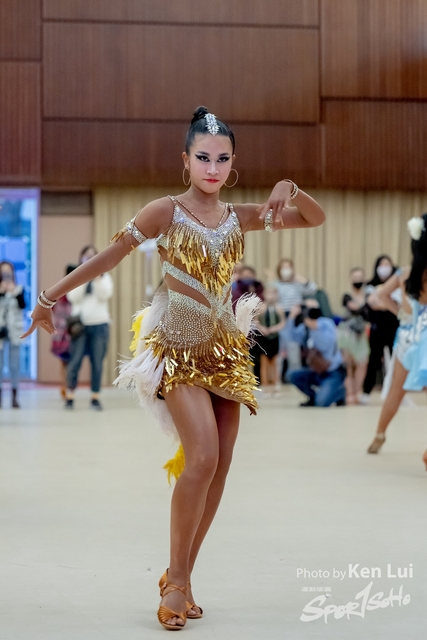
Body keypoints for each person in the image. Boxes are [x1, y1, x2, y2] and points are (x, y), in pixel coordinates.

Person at [21, 106, 326, 631]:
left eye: (222, 159)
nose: (213, 167)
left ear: (233, 164)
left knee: (220, 466)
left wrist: (290, 188)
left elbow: (315, 218)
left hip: (225, 349)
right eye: (203, 157)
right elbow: (110, 256)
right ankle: (178, 582)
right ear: (185, 160)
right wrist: (49, 296)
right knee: (201, 456)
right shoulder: (164, 210)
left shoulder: (240, 215)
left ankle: (179, 575)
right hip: (178, 344)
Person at [367, 215, 427, 468]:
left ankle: (379, 434)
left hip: (408, 336)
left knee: (396, 390)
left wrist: (400, 312)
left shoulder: (405, 273)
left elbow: (381, 294)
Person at [64, 246, 113, 411]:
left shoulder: (105, 276)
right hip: (79, 326)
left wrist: (96, 278)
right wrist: (84, 277)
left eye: (93, 256)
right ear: (81, 258)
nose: (89, 258)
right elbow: (72, 297)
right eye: (86, 256)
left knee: (97, 362)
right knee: (75, 361)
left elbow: (105, 295)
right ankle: (70, 396)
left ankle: (95, 397)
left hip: (99, 325)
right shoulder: (75, 276)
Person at [288, 300, 346, 407]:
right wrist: (292, 317)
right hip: (316, 370)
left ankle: (339, 393)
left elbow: (325, 345)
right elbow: (292, 337)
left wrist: (314, 327)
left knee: (321, 403)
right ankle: (314, 396)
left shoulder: (326, 323)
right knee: (292, 375)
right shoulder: (306, 326)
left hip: (332, 371)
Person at [361, 255, 399, 403]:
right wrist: (389, 304)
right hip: (377, 328)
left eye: (387, 264)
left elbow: (400, 304)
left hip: (394, 327)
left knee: (396, 361)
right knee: (373, 360)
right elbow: (371, 304)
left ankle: (397, 392)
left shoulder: (397, 283)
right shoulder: (370, 285)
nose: (384, 268)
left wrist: (384, 304)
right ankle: (366, 392)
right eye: (381, 264)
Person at [272, 258, 317, 380]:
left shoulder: (297, 284)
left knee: (294, 349)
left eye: (288, 267)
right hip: (281, 318)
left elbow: (313, 289)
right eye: (283, 268)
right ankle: (277, 379)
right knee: (279, 350)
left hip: (295, 318)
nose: (286, 270)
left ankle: (295, 377)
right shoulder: (276, 284)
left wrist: (299, 278)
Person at [337, 267, 370, 404]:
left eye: (360, 277)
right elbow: (356, 309)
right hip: (347, 334)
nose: (357, 280)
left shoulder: (368, 296)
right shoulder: (347, 296)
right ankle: (349, 393)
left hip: (362, 334)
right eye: (355, 277)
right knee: (349, 365)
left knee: (362, 363)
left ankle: (357, 392)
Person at [0, 261, 25, 408]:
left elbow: (23, 305)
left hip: (15, 330)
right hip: (0, 330)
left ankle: (15, 397)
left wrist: (13, 292)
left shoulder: (19, 289)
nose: (6, 274)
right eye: (3, 271)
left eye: (8, 271)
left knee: (14, 365)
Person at [255, 286, 285, 397]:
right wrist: (262, 328)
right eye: (268, 293)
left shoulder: (278, 308)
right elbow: (256, 321)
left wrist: (274, 328)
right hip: (264, 338)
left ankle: (275, 386)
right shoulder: (261, 308)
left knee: (274, 362)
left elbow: (282, 322)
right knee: (264, 362)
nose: (271, 296)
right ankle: (265, 386)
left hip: (274, 337)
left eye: (273, 293)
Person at [51, 265, 75, 399]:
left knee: (69, 361)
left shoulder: (74, 290)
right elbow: (53, 308)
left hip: (69, 331)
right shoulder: (61, 289)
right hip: (63, 332)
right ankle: (65, 386)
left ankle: (67, 386)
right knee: (64, 361)